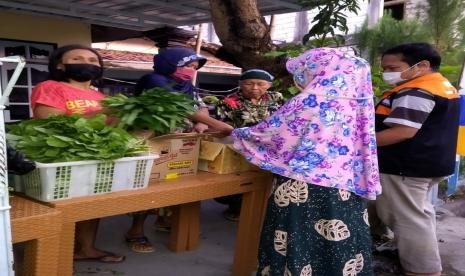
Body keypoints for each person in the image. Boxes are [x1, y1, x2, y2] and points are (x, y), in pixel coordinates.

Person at [230, 48, 381, 275]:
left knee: (297, 242)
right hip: (347, 185)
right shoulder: (359, 102)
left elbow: (272, 136)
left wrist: (237, 133)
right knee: (339, 244)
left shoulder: (311, 100)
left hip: (303, 186)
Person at [126, 47, 233, 253]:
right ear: (170, 63)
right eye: (187, 65)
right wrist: (217, 125)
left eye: (194, 67)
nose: (191, 71)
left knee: (174, 177)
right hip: (151, 137)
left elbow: (198, 105)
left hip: (177, 138)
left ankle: (163, 219)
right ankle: (135, 230)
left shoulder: (187, 85)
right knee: (148, 182)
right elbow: (182, 108)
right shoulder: (154, 80)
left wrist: (202, 124)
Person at [31, 44, 125, 263]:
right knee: (64, 206)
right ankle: (56, 258)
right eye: (78, 59)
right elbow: (52, 124)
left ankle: (86, 249)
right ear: (60, 65)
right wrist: (105, 112)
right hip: (62, 155)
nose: (87, 63)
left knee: (92, 204)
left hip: (95, 154)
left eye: (93, 60)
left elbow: (111, 128)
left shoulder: (100, 95)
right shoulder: (50, 86)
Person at [374, 43, 460, 276]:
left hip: (406, 166)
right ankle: (412, 258)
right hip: (429, 162)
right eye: (384, 67)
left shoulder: (416, 91)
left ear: (422, 65)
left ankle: (423, 270)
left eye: (393, 67)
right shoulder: (441, 85)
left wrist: (359, 145)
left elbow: (402, 131)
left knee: (407, 220)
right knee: (419, 214)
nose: (387, 72)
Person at [215, 69, 285, 221]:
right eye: (249, 84)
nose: (254, 88)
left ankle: (262, 208)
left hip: (269, 145)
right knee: (240, 178)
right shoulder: (228, 101)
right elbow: (223, 126)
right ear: (240, 84)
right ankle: (236, 207)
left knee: (266, 178)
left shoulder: (276, 98)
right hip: (240, 145)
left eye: (260, 84)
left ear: (269, 85)